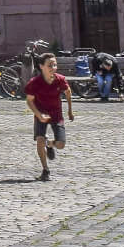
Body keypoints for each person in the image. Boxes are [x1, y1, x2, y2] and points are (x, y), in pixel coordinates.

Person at [22, 53, 74, 181]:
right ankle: (45, 170)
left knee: (61, 144)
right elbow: (29, 101)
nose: (53, 67)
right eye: (50, 65)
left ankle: (50, 144)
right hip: (41, 114)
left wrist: (70, 111)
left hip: (56, 114)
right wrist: (38, 115)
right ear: (41, 66)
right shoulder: (34, 83)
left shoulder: (60, 79)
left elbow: (68, 93)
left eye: (55, 65)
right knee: (40, 140)